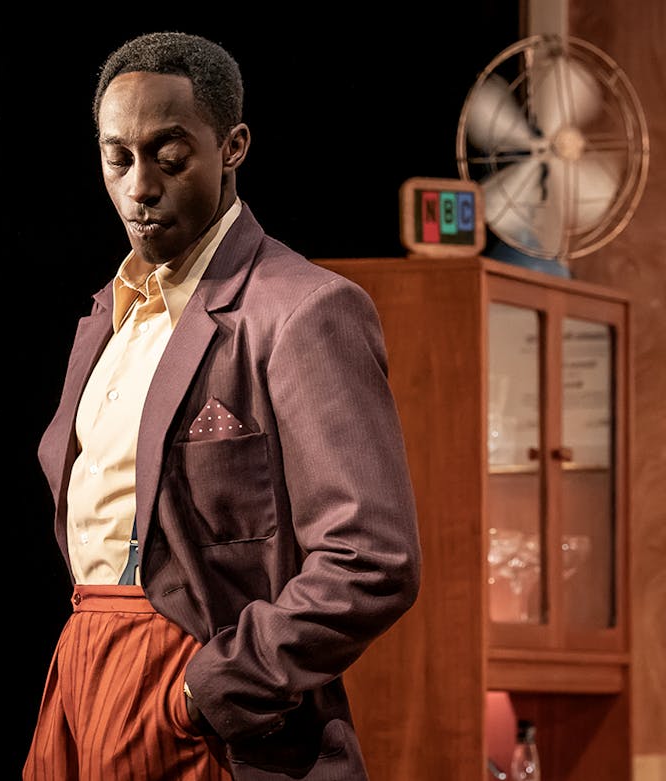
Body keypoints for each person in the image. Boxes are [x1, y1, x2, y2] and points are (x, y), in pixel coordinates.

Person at [23, 31, 421, 780]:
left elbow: (372, 559)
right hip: (82, 671)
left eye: (169, 155)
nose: (140, 185)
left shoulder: (301, 311)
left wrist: (204, 691)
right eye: (118, 158)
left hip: (202, 706)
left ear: (232, 146)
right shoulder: (108, 317)